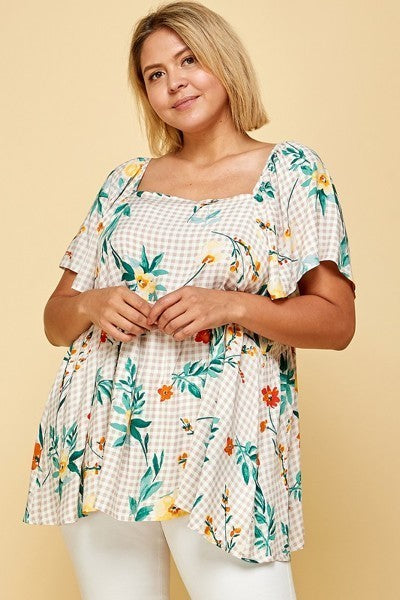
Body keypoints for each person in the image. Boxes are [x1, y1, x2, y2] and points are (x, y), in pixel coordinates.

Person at [21, 1, 356, 599]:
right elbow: (55, 320)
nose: (174, 82)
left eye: (189, 60)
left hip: (225, 445)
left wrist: (233, 306)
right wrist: (93, 304)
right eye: (155, 74)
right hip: (102, 439)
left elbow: (337, 322)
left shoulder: (290, 172)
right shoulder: (124, 182)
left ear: (224, 63)